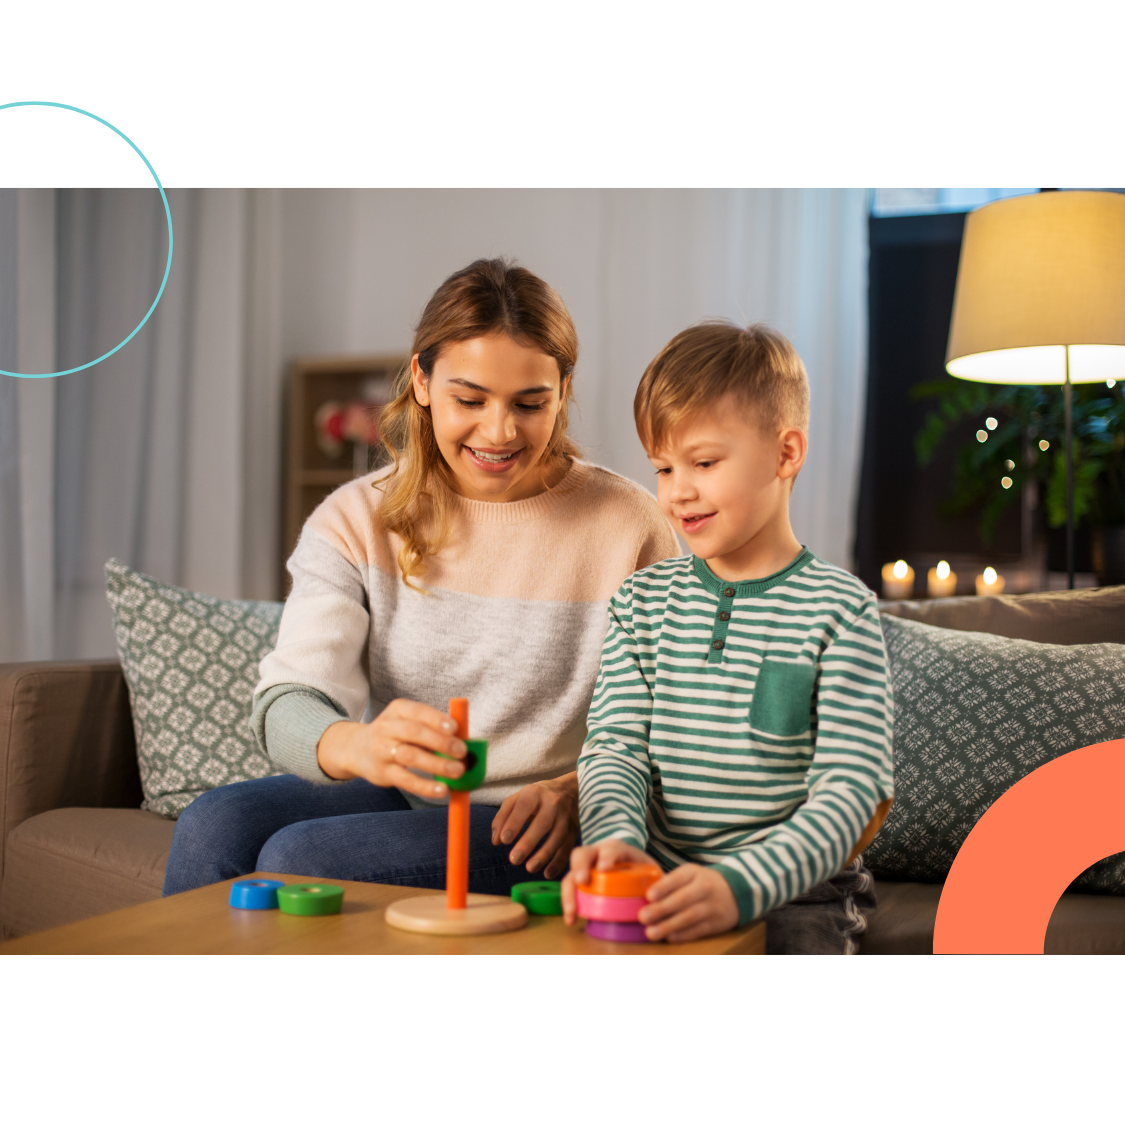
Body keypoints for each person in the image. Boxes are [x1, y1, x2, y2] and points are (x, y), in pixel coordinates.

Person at [162, 259, 677, 896]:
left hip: (531, 820)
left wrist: (579, 795)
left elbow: (679, 714)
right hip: (406, 793)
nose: (499, 431)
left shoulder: (629, 525)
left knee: (303, 857)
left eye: (530, 403)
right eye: (470, 399)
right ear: (422, 380)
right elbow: (288, 700)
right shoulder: (354, 518)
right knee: (211, 825)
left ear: (563, 392)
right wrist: (359, 746)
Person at [561, 321, 894, 954]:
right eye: (663, 466)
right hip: (656, 879)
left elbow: (854, 792)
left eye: (704, 462)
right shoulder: (641, 602)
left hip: (799, 892)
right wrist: (616, 848)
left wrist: (740, 886)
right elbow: (614, 750)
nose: (677, 490)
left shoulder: (841, 611)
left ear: (786, 453)